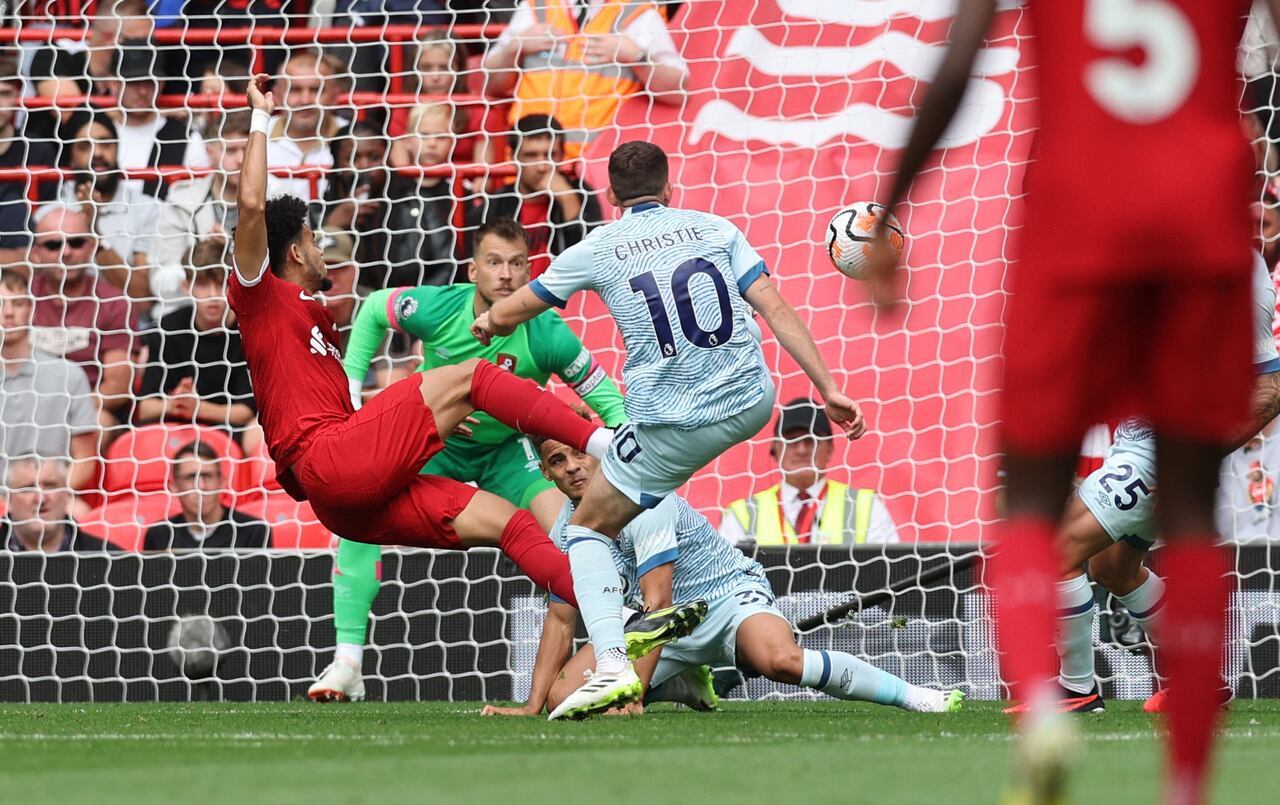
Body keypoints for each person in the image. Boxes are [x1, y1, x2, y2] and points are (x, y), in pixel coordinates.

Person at [868, 2, 1280, 802]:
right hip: (1200, 210)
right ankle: (1189, 780)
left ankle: (1055, 703)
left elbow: (955, 64)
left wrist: (890, 210)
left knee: (1032, 516)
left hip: (1076, 208)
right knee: (1145, 544)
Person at [231, 75, 702, 676]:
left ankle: (619, 614)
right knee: (472, 377)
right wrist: (261, 120)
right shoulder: (262, 297)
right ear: (294, 253)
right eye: (313, 241)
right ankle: (607, 446)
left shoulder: (316, 315)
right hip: (334, 460)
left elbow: (594, 382)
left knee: (510, 524)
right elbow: (251, 209)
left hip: (350, 496)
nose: (324, 250)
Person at [472, 140, 865, 719]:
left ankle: (614, 666)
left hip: (670, 425)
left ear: (610, 196)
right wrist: (828, 388)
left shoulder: (598, 245)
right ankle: (680, 658)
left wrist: (489, 319)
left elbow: (518, 307)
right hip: (750, 402)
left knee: (583, 532)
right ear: (669, 189)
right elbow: (776, 311)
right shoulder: (714, 227)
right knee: (627, 495)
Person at [307, 217, 627, 702]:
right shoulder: (438, 308)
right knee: (354, 518)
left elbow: (607, 399)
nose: (506, 274)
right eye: (495, 262)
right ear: (473, 270)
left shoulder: (547, 332)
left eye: (517, 264)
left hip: (505, 454)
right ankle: (347, 661)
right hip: (431, 447)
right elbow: (373, 309)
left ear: (529, 272)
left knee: (569, 532)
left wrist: (631, 452)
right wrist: (349, 392)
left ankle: (625, 648)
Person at [481, 428, 962, 718]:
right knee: (565, 698)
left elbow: (660, 600)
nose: (572, 467)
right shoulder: (568, 527)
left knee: (781, 661)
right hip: (663, 630)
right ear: (545, 473)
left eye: (577, 452)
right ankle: (684, 680)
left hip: (725, 597)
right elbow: (563, 616)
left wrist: (635, 696)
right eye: (557, 461)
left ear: (596, 449)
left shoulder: (642, 494)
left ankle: (914, 695)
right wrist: (532, 703)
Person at [1015, 248, 1280, 716]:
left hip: (1160, 451)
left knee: (1056, 549)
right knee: (1114, 570)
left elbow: (1268, 392)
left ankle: (1076, 691)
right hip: (1137, 441)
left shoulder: (1236, 265)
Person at [481, 0, 688, 159]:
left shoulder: (638, 13)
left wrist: (635, 55)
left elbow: (678, 91)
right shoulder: (536, 7)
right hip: (531, 162)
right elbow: (490, 85)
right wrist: (514, 48)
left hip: (600, 167)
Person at [720, 398, 899, 547]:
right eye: (791, 439)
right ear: (775, 448)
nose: (801, 450)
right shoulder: (742, 515)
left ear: (830, 448)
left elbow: (890, 576)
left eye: (811, 439)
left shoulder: (867, 507)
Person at [28, 204, 138, 430]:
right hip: (24, 405)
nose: (66, 252)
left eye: (76, 242)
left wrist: (61, 409)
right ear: (36, 253)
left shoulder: (114, 302)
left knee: (100, 422)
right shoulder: (19, 298)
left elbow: (117, 386)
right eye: (53, 245)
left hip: (88, 409)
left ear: (91, 247)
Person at [136, 243, 257, 442]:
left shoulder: (248, 332)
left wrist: (197, 408)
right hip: (176, 430)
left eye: (220, 285)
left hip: (229, 432)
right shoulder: (169, 327)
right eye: (202, 285)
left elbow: (244, 412)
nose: (212, 295)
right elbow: (145, 408)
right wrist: (177, 403)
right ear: (186, 287)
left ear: (233, 285)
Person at [0, 269, 98, 493]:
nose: (7, 313)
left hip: (53, 502)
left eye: (18, 304)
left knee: (81, 516)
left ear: (31, 309)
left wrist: (51, 496)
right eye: (1, 303)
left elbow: (85, 458)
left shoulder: (68, 375)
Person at [467, 114, 600, 278]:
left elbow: (592, 263)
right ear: (514, 158)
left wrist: (568, 200)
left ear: (562, 156)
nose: (542, 166)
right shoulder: (494, 207)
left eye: (551, 155)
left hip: (566, 300)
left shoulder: (581, 194)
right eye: (531, 155)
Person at [151, 110, 251, 312]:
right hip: (193, 319)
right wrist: (202, 256)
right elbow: (159, 285)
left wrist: (230, 253)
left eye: (248, 150)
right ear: (209, 152)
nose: (241, 160)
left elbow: (291, 277)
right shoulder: (180, 201)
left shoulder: (281, 198)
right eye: (230, 151)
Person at [58, 113, 161, 306]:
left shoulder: (147, 209)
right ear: (70, 157)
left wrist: (95, 232)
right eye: (85, 146)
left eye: (105, 144)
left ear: (117, 149)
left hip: (129, 326)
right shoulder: (53, 212)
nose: (97, 153)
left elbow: (143, 300)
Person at [370, 103, 463, 288]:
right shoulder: (391, 191)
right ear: (409, 140)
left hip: (447, 289)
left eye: (441, 136)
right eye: (424, 134)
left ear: (453, 141)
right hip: (393, 287)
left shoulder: (460, 191)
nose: (432, 143)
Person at [143, 440, 271, 551]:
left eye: (207, 476)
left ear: (222, 482)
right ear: (174, 486)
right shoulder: (160, 534)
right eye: (191, 477)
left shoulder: (253, 531)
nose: (201, 486)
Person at [105, 43, 192, 199]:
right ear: (113, 84)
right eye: (133, 82)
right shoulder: (93, 131)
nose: (143, 91)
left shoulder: (187, 138)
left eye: (150, 82)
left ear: (162, 83)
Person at [267, 48, 345, 203]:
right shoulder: (256, 134)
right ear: (277, 95)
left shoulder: (354, 138)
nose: (305, 100)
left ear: (335, 95)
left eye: (316, 90)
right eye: (295, 90)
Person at [0, 55, 57, 267]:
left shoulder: (39, 150)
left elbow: (47, 217)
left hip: (32, 262)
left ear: (17, 95)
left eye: (4, 94)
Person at [2, 456, 112, 552]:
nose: (41, 499)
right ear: (8, 500)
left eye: (50, 486)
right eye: (28, 488)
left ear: (67, 495)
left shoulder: (108, 558)